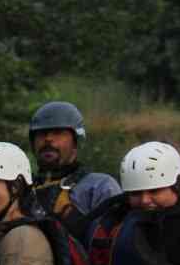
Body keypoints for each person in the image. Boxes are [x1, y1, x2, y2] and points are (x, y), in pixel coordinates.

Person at [26, 100, 121, 245]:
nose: (48, 139)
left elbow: (112, 246)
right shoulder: (23, 189)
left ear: (76, 141)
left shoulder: (100, 186)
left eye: (58, 132)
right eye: (41, 134)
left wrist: (71, 217)